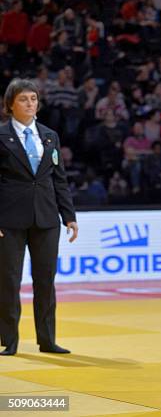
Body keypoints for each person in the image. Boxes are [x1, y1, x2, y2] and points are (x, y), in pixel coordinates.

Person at [0, 78, 79, 356]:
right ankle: (9, 340)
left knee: (45, 279)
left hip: (46, 218)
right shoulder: (1, 136)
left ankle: (47, 339)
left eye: (33, 99)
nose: (30, 104)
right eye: (23, 99)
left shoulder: (49, 136)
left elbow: (60, 179)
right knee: (8, 280)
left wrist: (68, 216)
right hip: (8, 220)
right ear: (10, 105)